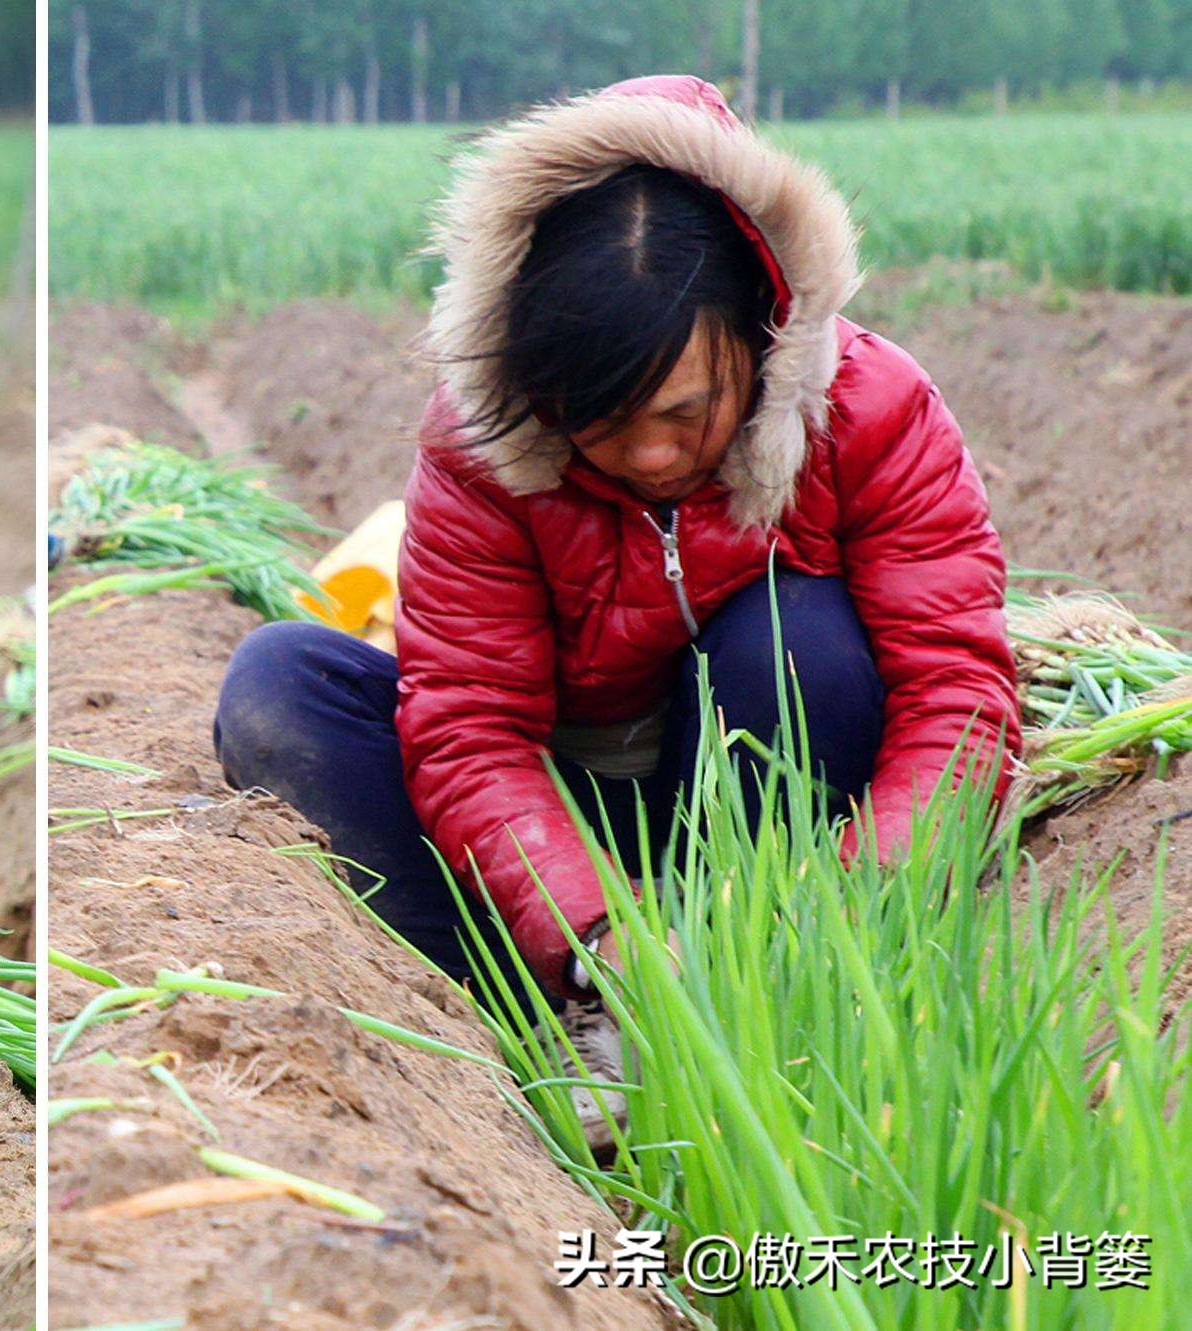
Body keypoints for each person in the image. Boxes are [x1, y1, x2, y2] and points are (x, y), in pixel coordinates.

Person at [213, 76, 1019, 1147]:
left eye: (687, 409)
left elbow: (957, 699)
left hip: (756, 797)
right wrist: (599, 933)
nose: (648, 455)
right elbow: (467, 728)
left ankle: (766, 996)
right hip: (552, 795)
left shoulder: (867, 407)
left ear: (765, 328)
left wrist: (822, 911)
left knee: (799, 640)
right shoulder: (481, 446)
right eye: (600, 418)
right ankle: (541, 1019)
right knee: (281, 687)